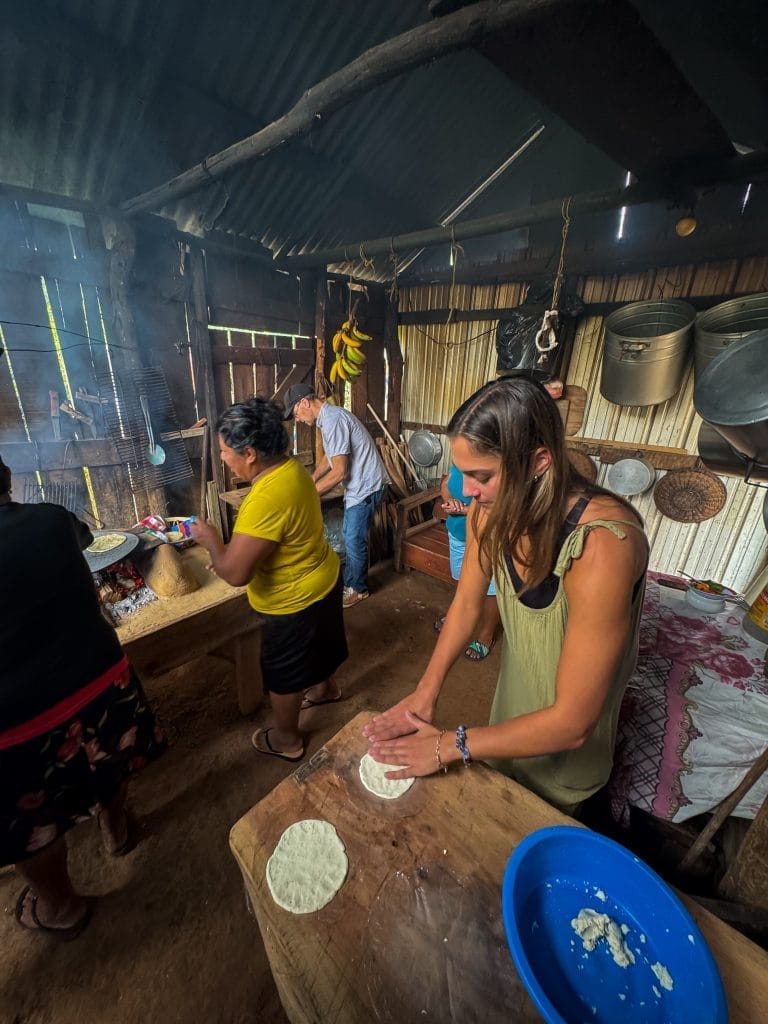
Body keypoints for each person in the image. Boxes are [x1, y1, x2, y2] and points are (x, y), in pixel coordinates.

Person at [364, 374, 648, 815]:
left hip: (566, 759)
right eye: (463, 475)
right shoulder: (487, 512)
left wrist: (448, 745)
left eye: (482, 476)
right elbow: (465, 604)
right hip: (509, 723)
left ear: (538, 461)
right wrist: (426, 691)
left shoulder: (602, 546)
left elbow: (572, 723)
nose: (467, 492)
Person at [0, 455, 166, 941]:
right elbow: (87, 542)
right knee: (109, 760)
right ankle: (117, 831)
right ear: (7, 477)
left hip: (15, 717)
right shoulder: (54, 519)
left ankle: (61, 906)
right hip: (99, 678)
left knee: (31, 821)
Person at [191, 396, 347, 761]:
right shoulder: (291, 470)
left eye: (225, 451)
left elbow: (235, 574)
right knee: (321, 646)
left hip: (293, 602)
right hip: (323, 577)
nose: (224, 459)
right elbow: (278, 541)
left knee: (284, 673)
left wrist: (214, 543)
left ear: (249, 453)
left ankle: (288, 740)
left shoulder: (265, 498)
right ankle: (326, 689)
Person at [283, 383, 389, 608]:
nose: (298, 420)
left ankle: (358, 589)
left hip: (367, 486)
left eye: (296, 415)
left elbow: (340, 470)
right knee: (350, 535)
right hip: (361, 485)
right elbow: (330, 457)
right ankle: (352, 581)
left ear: (304, 402)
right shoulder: (328, 418)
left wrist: (309, 494)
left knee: (353, 539)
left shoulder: (333, 420)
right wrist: (312, 479)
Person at [435, 463, 501, 661]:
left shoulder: (499, 461)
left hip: (489, 536)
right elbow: (447, 482)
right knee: (460, 576)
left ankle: (486, 635)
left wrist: (467, 510)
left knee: (490, 588)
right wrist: (449, 501)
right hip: (458, 531)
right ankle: (460, 616)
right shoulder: (461, 458)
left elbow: (507, 504)